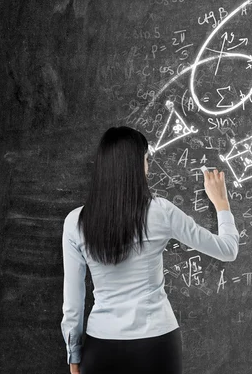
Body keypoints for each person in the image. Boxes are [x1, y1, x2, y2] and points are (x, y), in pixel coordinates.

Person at [61, 126, 239, 374]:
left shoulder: (75, 222)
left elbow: (73, 302)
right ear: (135, 166)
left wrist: (74, 353)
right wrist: (221, 203)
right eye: (145, 160)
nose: (148, 167)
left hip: (102, 346)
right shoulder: (160, 212)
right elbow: (228, 250)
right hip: (157, 343)